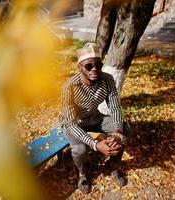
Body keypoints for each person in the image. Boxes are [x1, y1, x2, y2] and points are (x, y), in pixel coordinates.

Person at [61, 42, 129, 193]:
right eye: (89, 66)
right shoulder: (69, 87)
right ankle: (82, 174)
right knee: (80, 149)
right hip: (75, 123)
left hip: (94, 118)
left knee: (125, 128)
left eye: (98, 64)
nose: (95, 69)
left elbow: (115, 107)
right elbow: (70, 123)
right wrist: (96, 145)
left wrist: (117, 132)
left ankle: (112, 166)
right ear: (80, 67)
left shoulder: (108, 79)